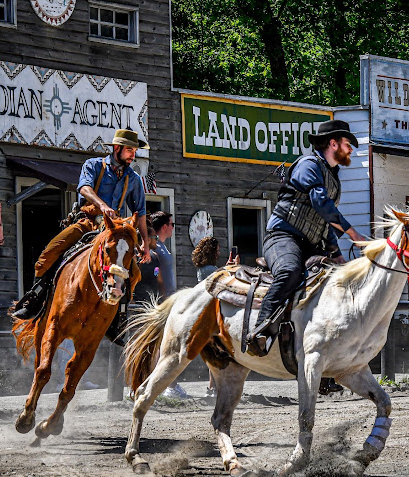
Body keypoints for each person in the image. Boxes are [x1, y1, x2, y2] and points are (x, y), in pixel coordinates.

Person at [246, 120, 365, 393]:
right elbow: (320, 205)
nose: (350, 150)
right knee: (289, 272)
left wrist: (337, 257)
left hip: (312, 244)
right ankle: (260, 332)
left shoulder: (333, 176)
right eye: (348, 145)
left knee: (337, 284)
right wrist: (352, 233)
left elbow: (322, 224)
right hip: (282, 237)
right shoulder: (308, 165)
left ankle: (326, 364)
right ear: (333, 144)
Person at [12, 129, 151, 321]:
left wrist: (145, 243)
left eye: (134, 151)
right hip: (86, 223)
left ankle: (120, 315)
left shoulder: (134, 179)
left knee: (133, 273)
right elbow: (84, 188)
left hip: (112, 230)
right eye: (129, 150)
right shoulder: (93, 165)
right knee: (48, 255)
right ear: (117, 148)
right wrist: (102, 205)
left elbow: (140, 213)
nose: (133, 155)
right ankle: (34, 301)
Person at [191, 236, 239, 396]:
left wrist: (227, 267)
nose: (219, 252)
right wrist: (233, 268)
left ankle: (213, 387)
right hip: (210, 312)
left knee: (214, 349)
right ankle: (213, 387)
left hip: (206, 311)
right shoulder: (209, 270)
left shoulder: (205, 268)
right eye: (217, 249)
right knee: (216, 350)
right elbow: (221, 278)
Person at [150, 211, 187, 399]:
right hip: (163, 301)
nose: (173, 227)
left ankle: (167, 385)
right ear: (164, 226)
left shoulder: (161, 245)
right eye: (172, 224)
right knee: (166, 345)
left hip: (169, 300)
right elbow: (154, 272)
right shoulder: (154, 245)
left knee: (167, 344)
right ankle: (167, 386)